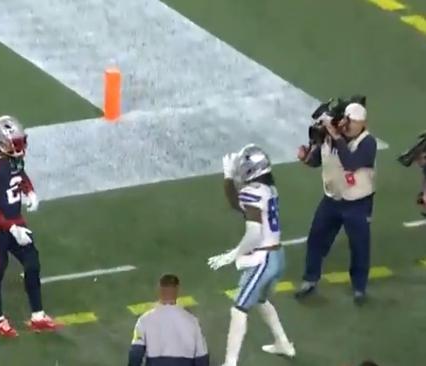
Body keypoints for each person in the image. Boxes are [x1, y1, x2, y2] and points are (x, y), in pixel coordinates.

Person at [208, 144, 295, 366]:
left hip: (263, 260)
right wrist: (228, 178)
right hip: (277, 256)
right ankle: (283, 343)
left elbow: (254, 234)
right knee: (262, 300)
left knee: (238, 308)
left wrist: (233, 254)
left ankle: (230, 363)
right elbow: (238, 204)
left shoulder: (252, 192)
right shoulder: (268, 190)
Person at [0, 115, 59, 337]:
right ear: (1, 141)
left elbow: (20, 174)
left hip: (16, 221)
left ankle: (38, 315)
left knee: (32, 263)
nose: (20, 146)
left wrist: (29, 190)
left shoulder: (13, 158)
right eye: (16, 142)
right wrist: (10, 228)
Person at [295, 103, 377, 305]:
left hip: (358, 203)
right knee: (316, 238)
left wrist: (337, 136)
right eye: (347, 121)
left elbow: (350, 162)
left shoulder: (368, 143)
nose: (349, 125)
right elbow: (317, 159)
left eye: (354, 122)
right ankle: (310, 279)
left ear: (363, 124)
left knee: (359, 246)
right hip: (331, 200)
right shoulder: (330, 137)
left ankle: (359, 288)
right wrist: (306, 157)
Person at [127, 274, 209, 366]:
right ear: (178, 289)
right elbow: (202, 358)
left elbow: (136, 354)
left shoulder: (144, 320)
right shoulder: (192, 321)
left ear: (159, 289)